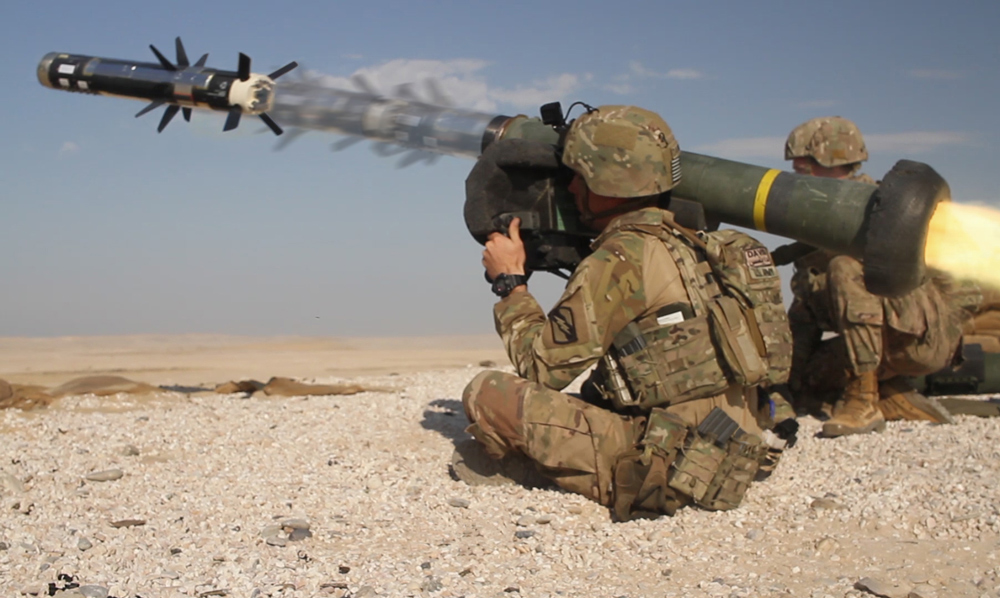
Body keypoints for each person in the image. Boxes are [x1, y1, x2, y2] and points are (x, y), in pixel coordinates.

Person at [458, 105, 792, 520]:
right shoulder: (705, 244)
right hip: (733, 447)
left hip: (671, 467)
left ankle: (542, 469)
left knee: (487, 393)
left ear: (606, 184)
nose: (573, 190)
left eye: (579, 178)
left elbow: (542, 367)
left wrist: (511, 284)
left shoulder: (621, 258)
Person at [781, 116, 980, 436]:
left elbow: (960, 285)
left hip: (923, 337)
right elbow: (803, 315)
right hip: (876, 344)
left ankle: (864, 400)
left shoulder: (887, 209)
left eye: (802, 169)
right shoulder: (816, 225)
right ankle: (892, 398)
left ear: (830, 161)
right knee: (807, 384)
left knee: (845, 267)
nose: (795, 178)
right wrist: (786, 388)